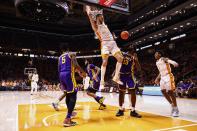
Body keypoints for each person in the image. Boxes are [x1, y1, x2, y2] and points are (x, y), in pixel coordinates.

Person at [86, 6, 123, 89]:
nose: (103, 17)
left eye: (102, 16)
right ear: (97, 18)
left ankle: (116, 77)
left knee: (120, 58)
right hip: (105, 44)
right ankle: (102, 82)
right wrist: (88, 7)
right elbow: (90, 17)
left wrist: (98, 8)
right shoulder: (95, 27)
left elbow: (100, 11)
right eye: (101, 16)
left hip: (113, 43)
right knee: (105, 61)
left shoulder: (103, 23)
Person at [57, 49, 86, 127]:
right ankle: (67, 119)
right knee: (73, 95)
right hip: (68, 75)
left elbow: (59, 69)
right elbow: (76, 64)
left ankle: (70, 113)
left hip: (61, 75)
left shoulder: (60, 57)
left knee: (67, 95)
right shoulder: (72, 54)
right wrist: (83, 72)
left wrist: (61, 81)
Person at [116, 48, 142, 118]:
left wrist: (136, 60)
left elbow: (139, 69)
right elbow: (118, 62)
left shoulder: (133, 57)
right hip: (121, 75)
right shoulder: (122, 54)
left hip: (130, 75)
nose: (132, 48)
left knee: (133, 92)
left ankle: (133, 111)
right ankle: (120, 109)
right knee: (121, 92)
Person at [154, 51, 179, 117]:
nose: (155, 55)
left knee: (170, 92)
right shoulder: (157, 62)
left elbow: (168, 60)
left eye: (156, 53)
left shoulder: (163, 59)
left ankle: (176, 109)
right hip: (162, 77)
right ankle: (172, 105)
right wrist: (157, 78)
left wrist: (173, 63)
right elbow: (160, 72)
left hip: (168, 76)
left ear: (159, 54)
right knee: (163, 91)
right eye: (155, 54)